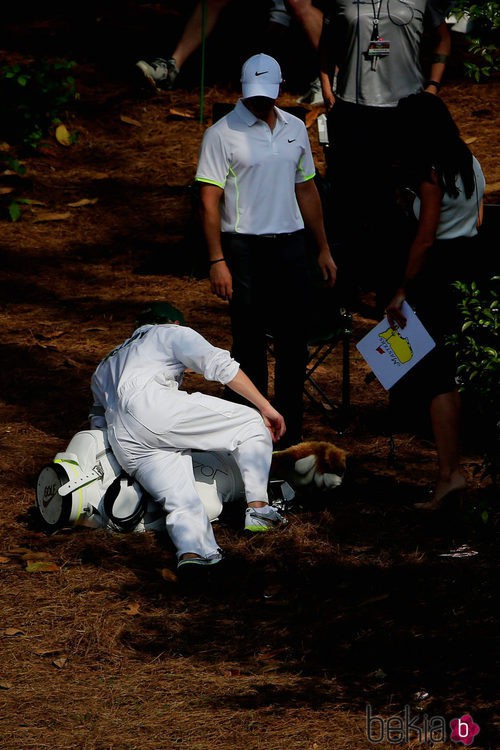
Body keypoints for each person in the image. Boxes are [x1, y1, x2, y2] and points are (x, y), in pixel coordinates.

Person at [194, 53, 337, 448]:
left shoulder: (293, 127)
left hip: (291, 246)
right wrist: (216, 259)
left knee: (294, 344)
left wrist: (322, 248)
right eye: (254, 94)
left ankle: (290, 433)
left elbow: (306, 188)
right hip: (245, 250)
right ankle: (251, 433)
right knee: (249, 344)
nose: (260, 102)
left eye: (267, 95)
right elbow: (209, 201)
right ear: (243, 90)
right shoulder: (221, 134)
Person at [88, 301, 288, 574]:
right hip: (153, 408)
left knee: (181, 499)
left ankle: (197, 554)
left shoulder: (105, 363)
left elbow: (97, 417)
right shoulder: (170, 333)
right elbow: (221, 366)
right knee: (250, 424)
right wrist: (265, 407)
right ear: (175, 322)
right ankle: (260, 511)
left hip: (124, 437)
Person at [384, 92, 485, 511]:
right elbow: (478, 217)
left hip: (437, 271)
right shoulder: (471, 163)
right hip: (468, 264)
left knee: (436, 379)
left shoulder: (430, 171)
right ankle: (451, 469)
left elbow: (424, 237)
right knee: (450, 371)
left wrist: (403, 287)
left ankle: (449, 474)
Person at [317, 0, 452, 312]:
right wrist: (327, 88)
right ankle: (345, 291)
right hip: (353, 109)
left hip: (403, 110)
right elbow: (327, 44)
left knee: (397, 206)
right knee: (349, 202)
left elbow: (443, 36)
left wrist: (432, 87)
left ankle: (390, 290)